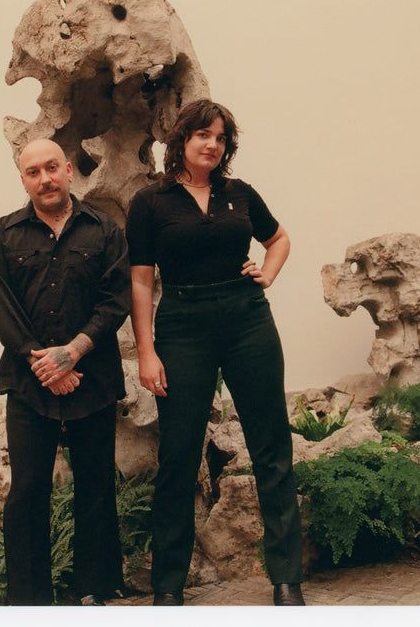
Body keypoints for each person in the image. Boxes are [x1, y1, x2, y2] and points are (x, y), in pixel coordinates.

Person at [125, 99, 305, 607]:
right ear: (181, 140)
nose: (212, 144)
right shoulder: (151, 203)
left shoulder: (240, 194)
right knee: (179, 456)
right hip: (182, 326)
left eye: (221, 138)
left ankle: (286, 579)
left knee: (271, 447)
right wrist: (146, 352)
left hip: (247, 319)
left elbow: (279, 238)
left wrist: (266, 274)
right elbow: (141, 282)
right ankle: (168, 587)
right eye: (203, 134)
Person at [0, 138, 131, 606]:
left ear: (68, 170)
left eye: (51, 168)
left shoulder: (105, 231)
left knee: (95, 485)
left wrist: (73, 352)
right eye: (33, 172)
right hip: (29, 384)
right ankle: (29, 602)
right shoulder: (2, 235)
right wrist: (43, 361)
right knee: (27, 491)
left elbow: (117, 300)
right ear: (23, 180)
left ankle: (92, 591)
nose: (44, 179)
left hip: (93, 378)